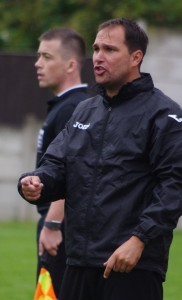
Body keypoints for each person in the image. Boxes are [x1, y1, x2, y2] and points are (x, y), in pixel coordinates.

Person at [18, 18, 182, 300]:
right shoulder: (84, 111)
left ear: (136, 57)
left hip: (132, 267)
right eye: (96, 48)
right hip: (78, 263)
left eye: (110, 50)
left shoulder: (164, 116)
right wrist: (36, 182)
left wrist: (140, 240)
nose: (99, 57)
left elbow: (175, 187)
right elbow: (57, 166)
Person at [33, 27, 90, 297]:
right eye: (38, 56)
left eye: (46, 56)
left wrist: (53, 224)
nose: (38, 63)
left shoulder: (73, 108)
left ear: (71, 64)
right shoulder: (67, 105)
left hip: (62, 227)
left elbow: (71, 169)